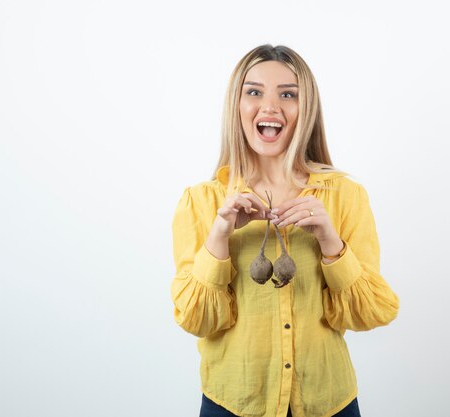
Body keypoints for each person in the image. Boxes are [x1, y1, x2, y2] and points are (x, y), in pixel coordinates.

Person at [171, 44, 399, 417]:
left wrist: (331, 243)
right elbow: (196, 320)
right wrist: (219, 236)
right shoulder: (200, 202)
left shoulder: (346, 196)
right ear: (237, 106)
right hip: (232, 403)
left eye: (288, 94)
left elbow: (370, 313)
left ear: (305, 108)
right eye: (254, 92)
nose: (271, 107)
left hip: (329, 403)